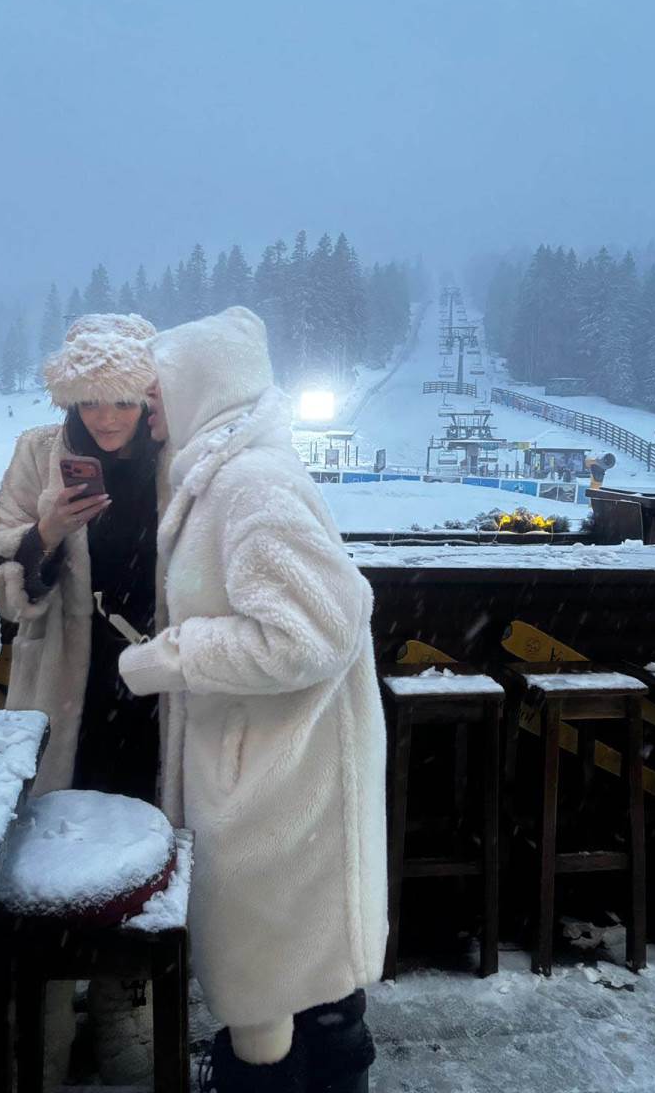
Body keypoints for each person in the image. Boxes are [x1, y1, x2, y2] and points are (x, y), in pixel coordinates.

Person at [120, 307, 387, 1093]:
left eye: (158, 389)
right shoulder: (225, 475)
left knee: (265, 1000)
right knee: (308, 994)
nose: (149, 407)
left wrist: (170, 656)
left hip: (279, 790)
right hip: (273, 776)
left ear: (201, 386)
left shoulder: (250, 482)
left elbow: (315, 629)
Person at [0, 312, 163, 798]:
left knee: (155, 817)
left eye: (123, 401)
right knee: (56, 820)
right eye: (89, 402)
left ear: (147, 399)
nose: (107, 418)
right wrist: (46, 534)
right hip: (63, 669)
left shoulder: (176, 458)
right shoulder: (39, 454)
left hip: (162, 666)